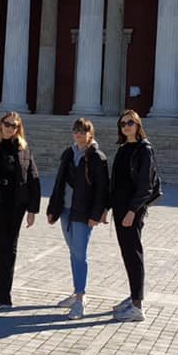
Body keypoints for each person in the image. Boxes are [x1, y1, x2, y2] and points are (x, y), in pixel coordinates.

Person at [0, 112, 40, 311]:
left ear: (19, 128)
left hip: (17, 205)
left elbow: (33, 178)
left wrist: (32, 210)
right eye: (7, 124)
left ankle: (3, 295)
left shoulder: (23, 149)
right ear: (0, 125)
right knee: (1, 247)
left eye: (14, 125)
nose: (10, 128)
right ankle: (1, 294)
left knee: (10, 248)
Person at [46, 119, 109, 319]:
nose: (79, 134)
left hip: (83, 212)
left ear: (90, 133)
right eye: (76, 131)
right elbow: (58, 183)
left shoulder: (97, 157)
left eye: (83, 131)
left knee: (80, 254)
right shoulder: (68, 154)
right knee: (73, 252)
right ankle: (76, 293)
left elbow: (102, 189)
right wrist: (52, 208)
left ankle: (80, 300)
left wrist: (96, 215)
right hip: (65, 209)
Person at [109, 110, 162, 323]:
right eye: (123, 124)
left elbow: (145, 186)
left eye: (130, 123)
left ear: (138, 125)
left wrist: (132, 211)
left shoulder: (144, 150)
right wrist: (107, 207)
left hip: (133, 210)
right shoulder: (123, 149)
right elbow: (117, 182)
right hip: (121, 209)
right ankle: (133, 296)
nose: (127, 126)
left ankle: (137, 305)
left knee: (134, 253)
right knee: (127, 253)